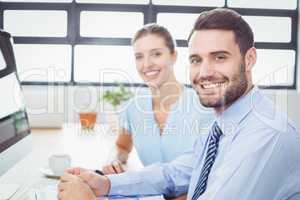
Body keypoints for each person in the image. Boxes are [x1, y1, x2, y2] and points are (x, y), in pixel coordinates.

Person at [58, 8, 300, 200]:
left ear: (250, 59)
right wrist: (107, 184)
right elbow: (176, 172)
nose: (205, 72)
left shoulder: (265, 135)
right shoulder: (223, 123)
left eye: (220, 57)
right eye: (196, 60)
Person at [102, 23, 212, 175]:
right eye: (139, 57)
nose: (147, 64)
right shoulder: (134, 107)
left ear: (174, 56)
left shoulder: (205, 107)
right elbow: (122, 146)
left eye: (156, 54)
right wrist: (114, 159)